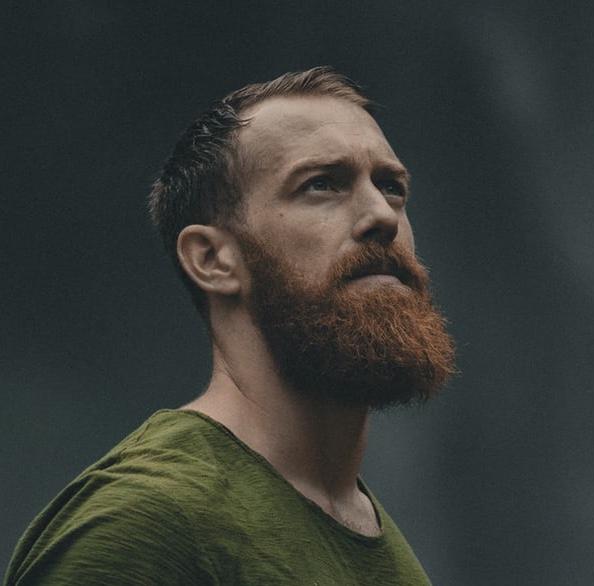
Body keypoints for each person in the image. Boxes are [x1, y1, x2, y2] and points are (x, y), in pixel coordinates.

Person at [4, 66, 455, 585]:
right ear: (212, 259)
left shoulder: (364, 527)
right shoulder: (142, 525)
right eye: (322, 185)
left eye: (391, 187)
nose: (383, 216)